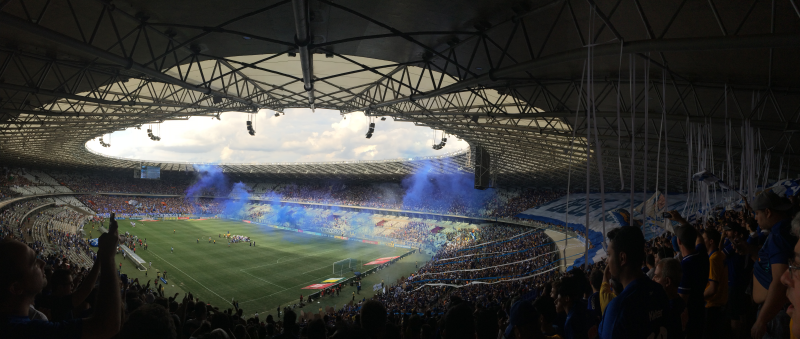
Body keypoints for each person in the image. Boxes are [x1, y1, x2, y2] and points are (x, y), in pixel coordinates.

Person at [0, 212, 121, 338]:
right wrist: (108, 257)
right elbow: (106, 326)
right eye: (33, 262)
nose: (43, 262)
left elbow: (82, 293)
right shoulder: (23, 331)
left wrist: (100, 258)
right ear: (16, 288)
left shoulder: (37, 305)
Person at [599, 226, 679, 339]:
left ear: (622, 258)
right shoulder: (659, 291)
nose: (607, 261)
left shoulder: (618, 309)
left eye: (609, 255)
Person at [750, 191, 796, 339]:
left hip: (774, 313)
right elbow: (771, 265)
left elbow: (780, 281)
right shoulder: (785, 230)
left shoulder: (778, 237)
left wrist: (762, 320)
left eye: (757, 213)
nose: (755, 218)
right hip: (776, 311)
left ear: (768, 212)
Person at [675, 224, 708, 339]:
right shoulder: (702, 254)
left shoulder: (685, 266)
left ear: (679, 241)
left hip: (690, 317)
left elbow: (682, 300)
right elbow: (699, 237)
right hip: (700, 309)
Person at [703, 228, 729, 337]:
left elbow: (713, 288)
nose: (700, 242)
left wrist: (698, 297)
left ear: (711, 241)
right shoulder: (719, 255)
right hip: (721, 305)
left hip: (712, 307)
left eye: (703, 239)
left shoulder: (713, 260)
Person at [653, 258, 685, 335]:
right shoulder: (681, 304)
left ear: (667, 281)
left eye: (657, 276)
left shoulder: (667, 312)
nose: (653, 279)